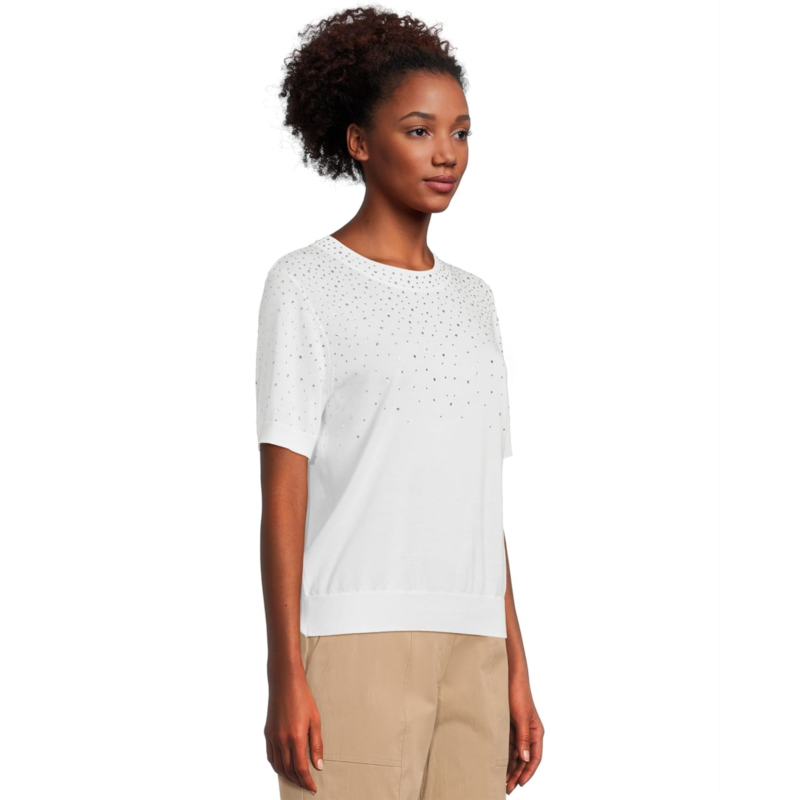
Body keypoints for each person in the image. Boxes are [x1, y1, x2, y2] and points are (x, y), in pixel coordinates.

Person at [256, 7, 544, 798]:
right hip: (356, 644)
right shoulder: (305, 284)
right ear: (358, 141)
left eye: (461, 132)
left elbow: (478, 501)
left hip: (476, 652)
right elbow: (284, 494)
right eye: (419, 130)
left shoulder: (476, 300)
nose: (446, 153)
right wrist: (285, 672)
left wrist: (516, 667)